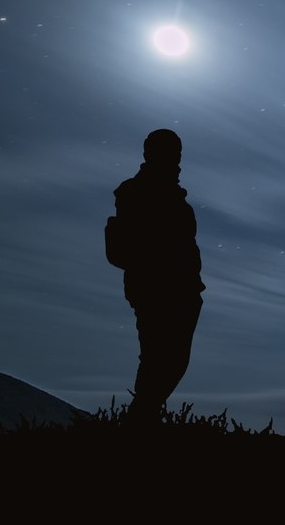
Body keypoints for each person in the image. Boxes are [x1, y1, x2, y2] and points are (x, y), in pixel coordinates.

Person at [110, 128, 205, 426]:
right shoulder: (137, 191)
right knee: (158, 356)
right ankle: (141, 419)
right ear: (149, 153)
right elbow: (146, 242)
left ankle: (144, 415)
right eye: (167, 151)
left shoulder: (173, 195)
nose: (174, 157)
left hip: (182, 289)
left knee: (171, 358)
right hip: (154, 286)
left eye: (176, 151)